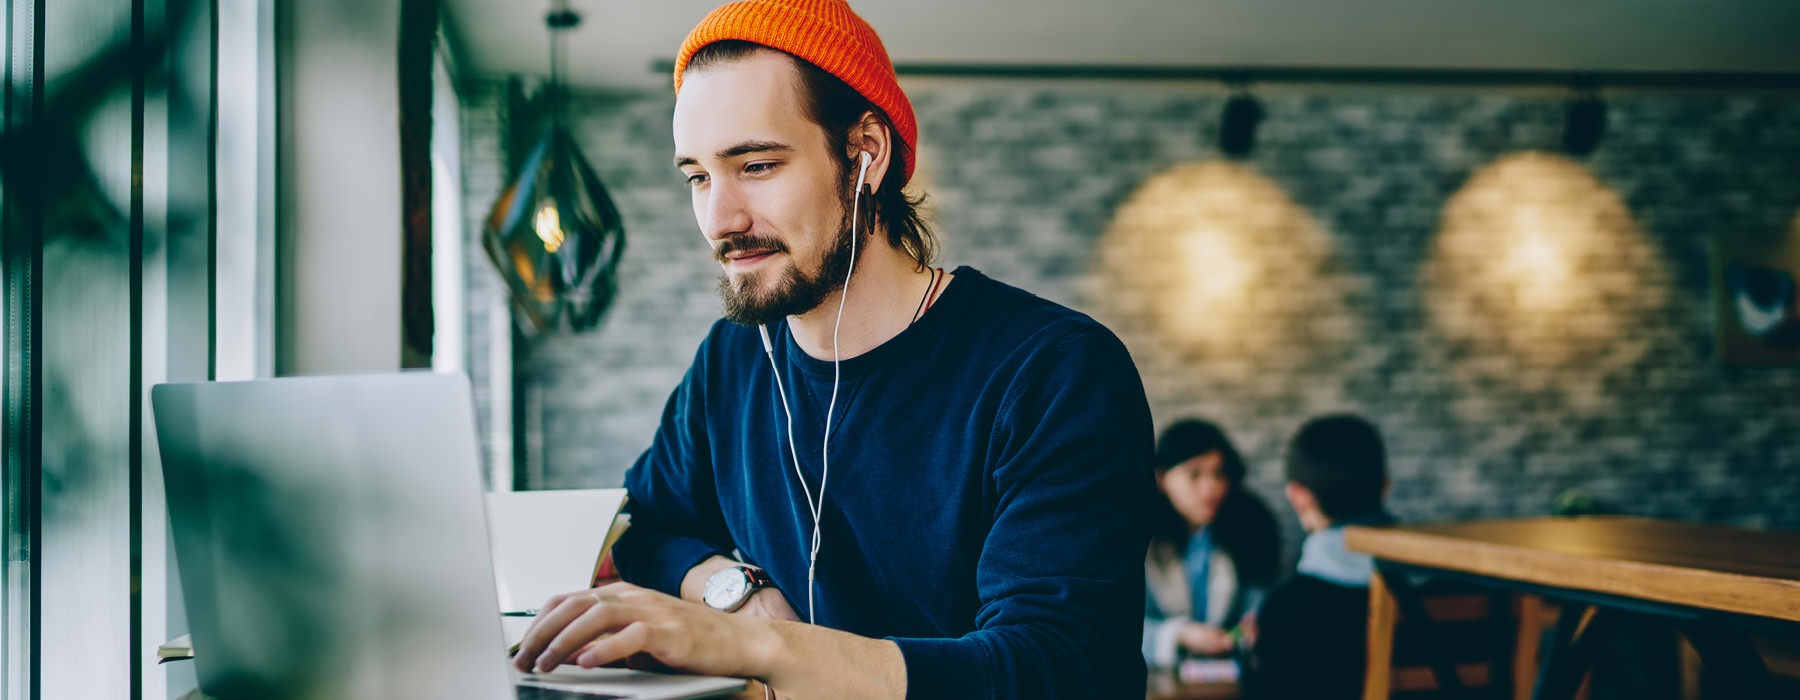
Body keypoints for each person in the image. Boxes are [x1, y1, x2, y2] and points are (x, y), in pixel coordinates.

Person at [509, 2, 1157, 699]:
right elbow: (645, 528)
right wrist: (736, 593)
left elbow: (1062, 667)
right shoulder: (733, 361)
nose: (718, 220)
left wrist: (761, 646)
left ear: (865, 153)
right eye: (697, 176)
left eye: (755, 165)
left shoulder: (1053, 371)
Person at [1241, 413, 1396, 700]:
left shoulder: (1286, 607)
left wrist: (1251, 651)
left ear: (1298, 495)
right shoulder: (1448, 588)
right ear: (1385, 486)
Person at [1142, 419, 1281, 670]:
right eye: (1194, 475)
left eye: (1218, 473)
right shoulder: (1139, 538)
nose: (1210, 488)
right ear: (1161, 478)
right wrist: (1179, 635)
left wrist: (1252, 627)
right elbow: (1117, 625)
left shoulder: (1250, 529)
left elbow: (1257, 603)